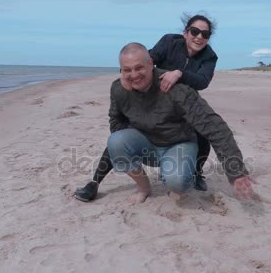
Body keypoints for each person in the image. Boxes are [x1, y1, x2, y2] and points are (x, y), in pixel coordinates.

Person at [75, 14, 218, 202]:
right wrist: (124, 75)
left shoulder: (209, 56)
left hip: (182, 105)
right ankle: (94, 182)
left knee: (202, 134)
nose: (199, 37)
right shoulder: (169, 42)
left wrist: (178, 74)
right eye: (195, 31)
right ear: (185, 33)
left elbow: (202, 81)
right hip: (153, 100)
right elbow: (146, 59)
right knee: (122, 135)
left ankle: (196, 174)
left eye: (205, 34)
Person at [99, 42, 254, 203]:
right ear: (121, 70)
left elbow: (214, 127)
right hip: (147, 146)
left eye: (139, 68)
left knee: (177, 182)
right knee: (116, 141)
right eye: (127, 70)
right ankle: (144, 187)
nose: (134, 75)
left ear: (151, 63)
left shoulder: (176, 89)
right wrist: (140, 132)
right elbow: (115, 121)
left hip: (178, 144)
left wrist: (235, 171)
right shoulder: (118, 89)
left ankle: (186, 174)